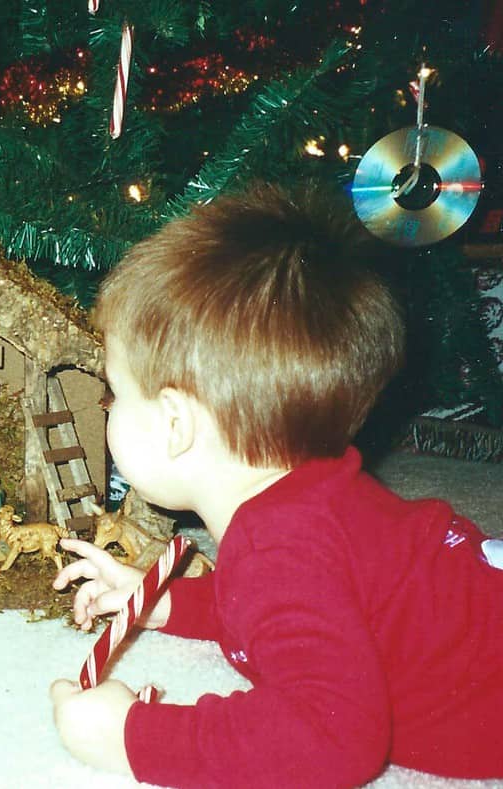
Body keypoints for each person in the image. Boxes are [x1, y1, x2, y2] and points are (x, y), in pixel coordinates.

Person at [48, 184, 503, 786]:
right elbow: (306, 607)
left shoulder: (277, 549)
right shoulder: (316, 494)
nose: (106, 410)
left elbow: (331, 740)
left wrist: (132, 737)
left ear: (176, 424)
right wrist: (167, 604)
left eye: (115, 394)